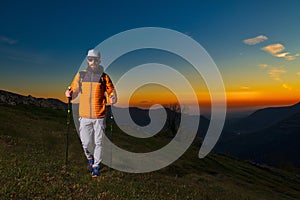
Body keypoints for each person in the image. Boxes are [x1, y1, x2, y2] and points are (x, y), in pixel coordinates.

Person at [65, 49, 117, 178]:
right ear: (88, 60)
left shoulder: (104, 77)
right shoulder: (81, 75)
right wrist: (70, 94)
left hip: (99, 115)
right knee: (86, 143)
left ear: (99, 60)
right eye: (90, 59)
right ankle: (90, 158)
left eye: (95, 59)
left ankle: (96, 166)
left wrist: (113, 97)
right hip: (84, 115)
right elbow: (75, 90)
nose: (93, 62)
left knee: (98, 142)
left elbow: (111, 91)